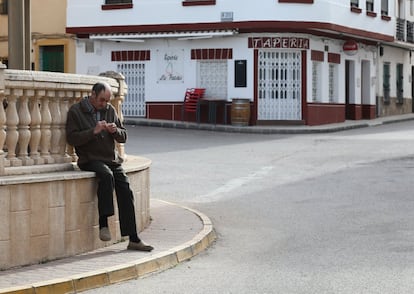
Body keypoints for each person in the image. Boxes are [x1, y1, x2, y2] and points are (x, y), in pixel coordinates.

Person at [66, 82, 153, 252]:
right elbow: (72, 138)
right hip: (89, 159)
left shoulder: (110, 110)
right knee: (106, 176)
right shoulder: (76, 111)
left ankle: (133, 238)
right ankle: (103, 223)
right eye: (101, 100)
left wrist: (115, 131)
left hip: (110, 159)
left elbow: (123, 137)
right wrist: (94, 131)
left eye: (107, 101)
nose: (104, 104)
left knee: (125, 188)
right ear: (92, 95)